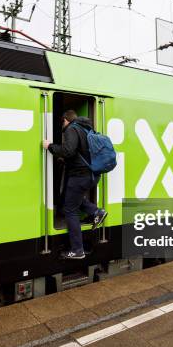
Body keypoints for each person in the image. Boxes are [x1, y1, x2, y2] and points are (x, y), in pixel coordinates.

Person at [43, 110, 108, 259]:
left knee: (69, 210)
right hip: (91, 175)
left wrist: (50, 146)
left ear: (65, 120)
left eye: (62, 123)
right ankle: (97, 212)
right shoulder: (86, 129)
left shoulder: (72, 128)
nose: (62, 126)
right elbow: (80, 152)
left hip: (79, 176)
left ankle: (77, 250)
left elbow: (68, 151)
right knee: (72, 198)